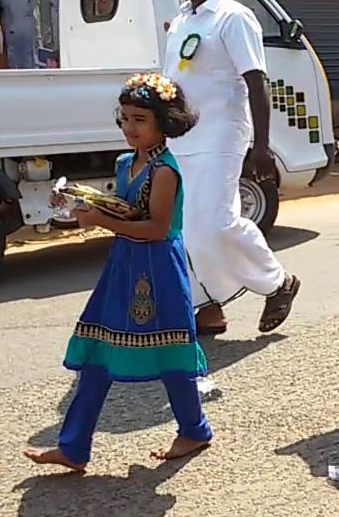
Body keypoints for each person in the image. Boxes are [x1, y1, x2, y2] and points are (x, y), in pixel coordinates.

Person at [25, 74, 212, 472]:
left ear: (166, 122)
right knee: (98, 352)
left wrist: (100, 220)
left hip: (158, 268)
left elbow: (157, 229)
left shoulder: (165, 171)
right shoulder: (126, 163)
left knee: (171, 355)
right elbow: (121, 210)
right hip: (125, 264)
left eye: (140, 119)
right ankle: (73, 447)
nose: (130, 127)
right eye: (125, 117)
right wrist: (78, 201)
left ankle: (194, 429)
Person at [162, 0, 300, 336]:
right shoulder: (183, 20)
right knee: (188, 228)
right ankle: (207, 308)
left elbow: (256, 83)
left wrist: (261, 145)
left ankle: (278, 282)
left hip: (221, 134)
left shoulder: (234, 17)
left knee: (216, 224)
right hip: (182, 138)